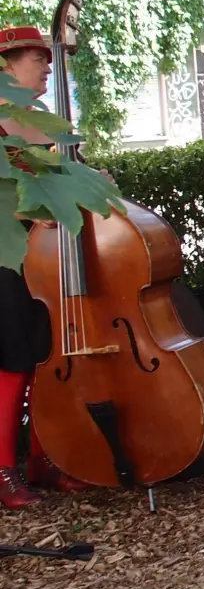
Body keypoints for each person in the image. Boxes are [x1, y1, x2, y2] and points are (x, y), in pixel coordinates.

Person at [0, 26, 95, 507]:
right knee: (14, 361)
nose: (48, 65)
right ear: (7, 65)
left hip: (42, 256)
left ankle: (45, 458)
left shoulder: (40, 119)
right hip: (7, 258)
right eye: (38, 57)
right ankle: (4, 471)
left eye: (47, 55)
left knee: (44, 358)